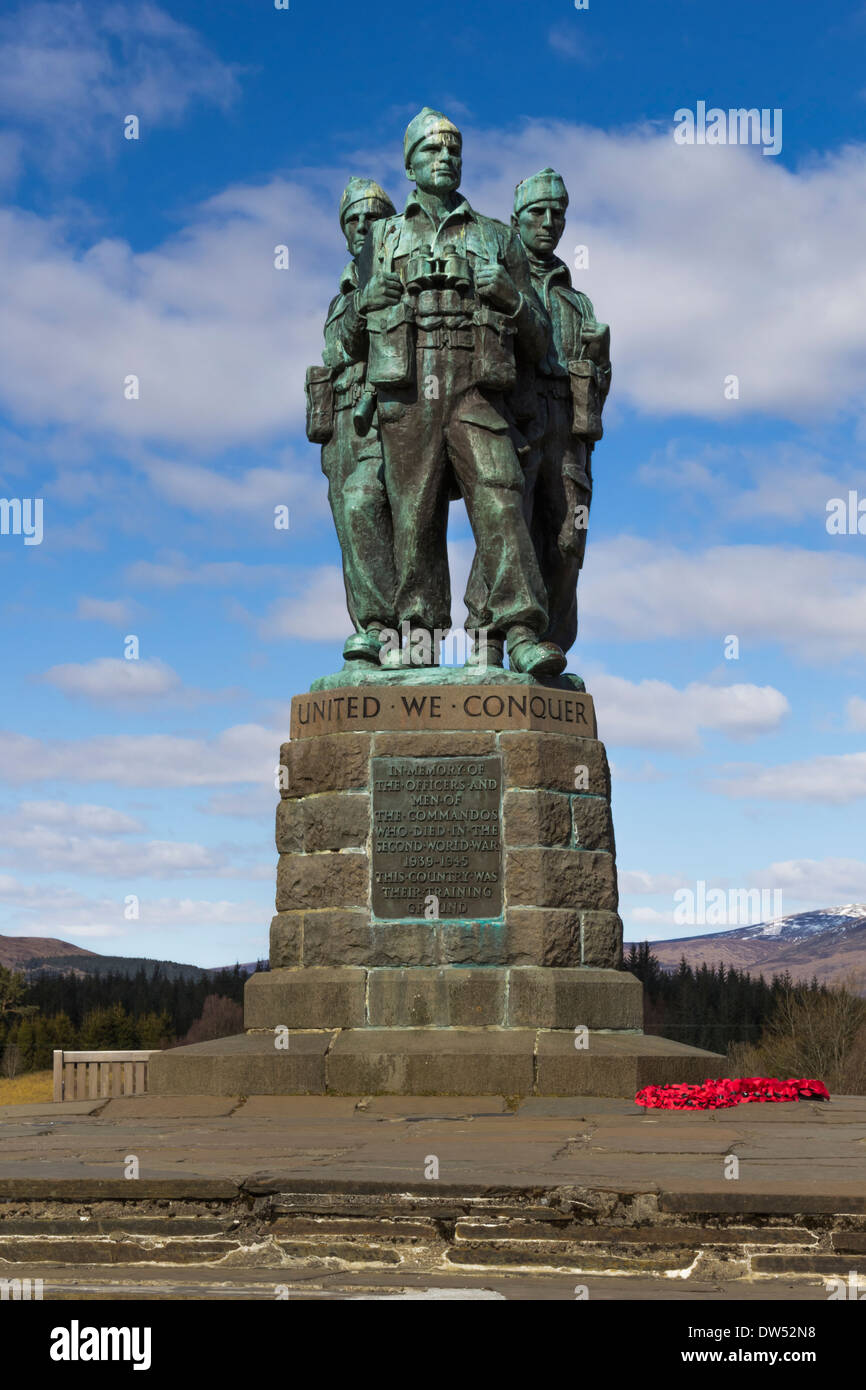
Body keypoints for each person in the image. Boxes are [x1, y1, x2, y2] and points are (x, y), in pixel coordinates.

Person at [352, 109, 566, 677]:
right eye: (431, 151)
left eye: (453, 151)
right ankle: (417, 640)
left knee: (500, 495)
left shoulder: (496, 235)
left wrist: (513, 301)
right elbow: (348, 338)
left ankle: (518, 630)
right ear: (409, 163)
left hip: (475, 385)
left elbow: (542, 337)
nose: (444, 160)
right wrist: (367, 299)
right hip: (407, 388)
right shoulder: (383, 236)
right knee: (414, 516)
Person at [304, 177, 397, 664]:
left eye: (373, 216)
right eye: (353, 219)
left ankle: (394, 628)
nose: (363, 226)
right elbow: (337, 347)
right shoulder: (344, 290)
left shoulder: (397, 275)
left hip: (390, 411)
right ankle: (371, 632)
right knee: (350, 524)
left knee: (373, 506)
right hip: (341, 419)